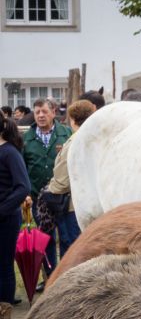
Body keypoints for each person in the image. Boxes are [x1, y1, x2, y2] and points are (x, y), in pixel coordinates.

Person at [22, 98, 72, 285]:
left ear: (53, 112)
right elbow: (22, 167)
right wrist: (26, 193)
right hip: (38, 199)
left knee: (67, 238)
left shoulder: (66, 134)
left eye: (44, 111)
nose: (41, 115)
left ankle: (67, 278)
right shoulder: (27, 139)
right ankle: (50, 278)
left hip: (63, 198)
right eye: (37, 112)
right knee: (45, 240)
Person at [44, 99, 95, 258]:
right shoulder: (93, 139)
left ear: (72, 119)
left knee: (70, 246)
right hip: (89, 202)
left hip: (71, 204)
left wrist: (49, 191)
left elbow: (62, 179)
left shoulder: (75, 141)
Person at [0, 115, 31, 319]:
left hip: (6, 220)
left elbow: (23, 187)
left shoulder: (10, 152)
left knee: (3, 268)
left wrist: (2, 209)